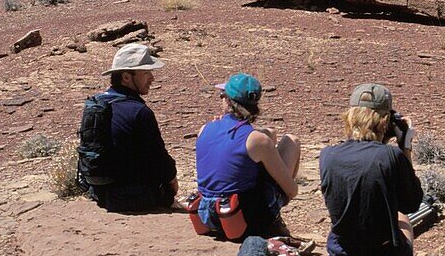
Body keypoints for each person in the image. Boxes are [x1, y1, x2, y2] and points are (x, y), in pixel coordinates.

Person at [319, 83, 423, 256]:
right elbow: (411, 203)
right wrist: (405, 147)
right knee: (403, 218)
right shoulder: (391, 155)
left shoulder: (328, 155)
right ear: (385, 121)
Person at [195, 73, 300, 238]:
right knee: (291, 141)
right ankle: (274, 220)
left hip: (207, 217)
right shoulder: (257, 141)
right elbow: (292, 190)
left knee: (266, 139)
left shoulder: (204, 129)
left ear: (227, 100)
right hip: (243, 221)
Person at [85, 43, 178, 212]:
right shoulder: (139, 112)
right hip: (132, 197)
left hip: (99, 192)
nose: (152, 78)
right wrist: (171, 179)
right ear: (126, 77)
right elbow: (159, 158)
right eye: (146, 73)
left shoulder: (97, 103)